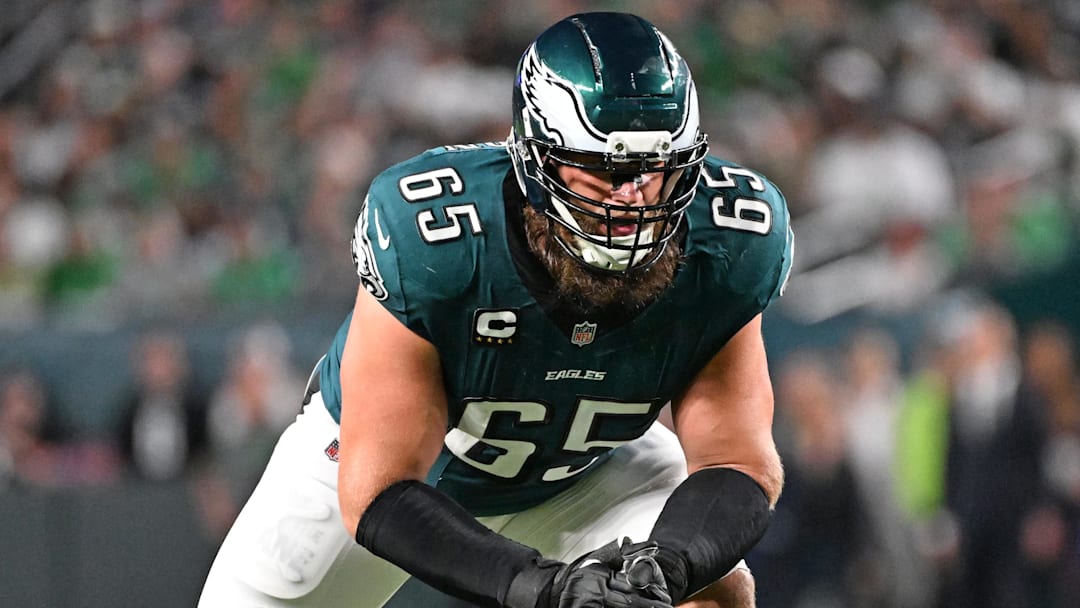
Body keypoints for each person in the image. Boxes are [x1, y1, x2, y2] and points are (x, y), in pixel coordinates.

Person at [199, 11, 793, 608]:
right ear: (538, 161)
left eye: (652, 170)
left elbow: (738, 459)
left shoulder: (726, 240)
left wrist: (666, 566)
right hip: (397, 469)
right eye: (604, 170)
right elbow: (379, 489)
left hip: (578, 472)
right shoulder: (437, 238)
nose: (631, 198)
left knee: (711, 590)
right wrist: (545, 588)